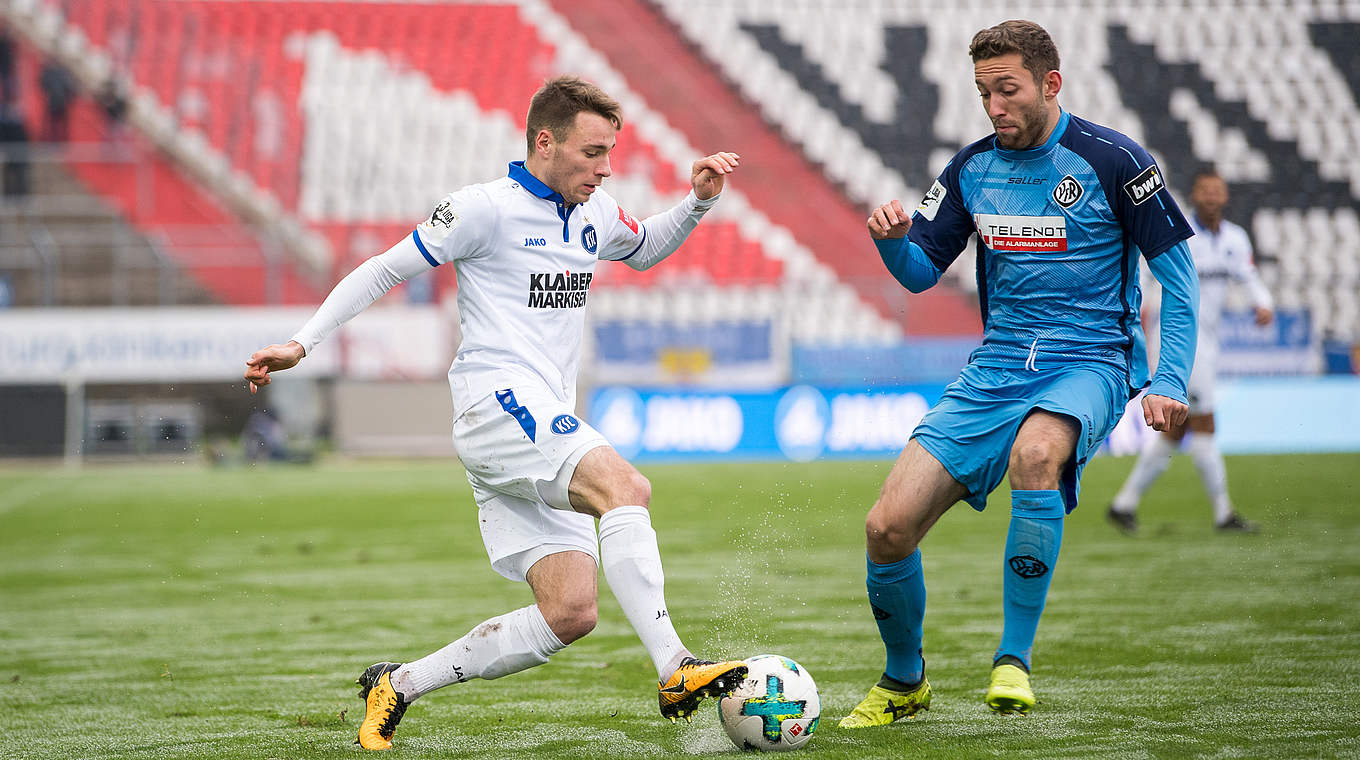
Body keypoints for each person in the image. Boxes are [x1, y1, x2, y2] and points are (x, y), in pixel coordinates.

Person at [244, 75, 746, 751]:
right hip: (497, 406)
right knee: (626, 489)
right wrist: (302, 341)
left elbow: (645, 246)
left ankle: (400, 684)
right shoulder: (483, 209)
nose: (605, 168)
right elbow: (385, 269)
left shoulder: (595, 212)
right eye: (593, 151)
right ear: (546, 141)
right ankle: (676, 668)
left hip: (535, 422)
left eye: (610, 154)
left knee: (570, 613)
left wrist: (696, 203)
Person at [838, 20, 1199, 727]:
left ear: (1050, 84)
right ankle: (905, 682)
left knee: (1037, 456)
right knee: (886, 527)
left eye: (1007, 90)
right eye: (982, 93)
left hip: (1091, 359)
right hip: (997, 367)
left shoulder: (1117, 161)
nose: (994, 107)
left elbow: (1178, 283)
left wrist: (1171, 380)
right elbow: (918, 274)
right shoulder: (970, 169)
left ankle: (1012, 659)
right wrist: (891, 244)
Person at [1107, 170, 1272, 533]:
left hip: (1208, 341)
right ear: (1194, 196)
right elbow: (1149, 279)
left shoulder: (1234, 239)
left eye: (1217, 191)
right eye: (1205, 191)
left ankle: (1124, 504)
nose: (1211, 197)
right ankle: (1224, 514)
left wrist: (1263, 303)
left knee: (1177, 431)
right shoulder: (1178, 234)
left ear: (1225, 197)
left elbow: (1248, 276)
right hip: (1178, 341)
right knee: (1204, 424)